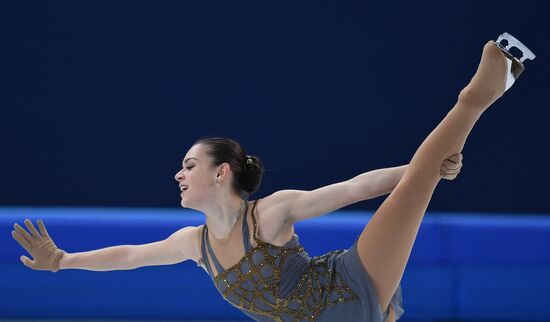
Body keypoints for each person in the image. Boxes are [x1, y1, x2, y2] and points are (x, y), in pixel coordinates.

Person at [11, 33, 534, 322]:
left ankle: (478, 97)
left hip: (353, 286)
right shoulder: (195, 245)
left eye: (188, 165)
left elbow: (354, 189)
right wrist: (63, 261)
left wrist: (418, 170)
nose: (178, 174)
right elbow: (126, 256)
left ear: (221, 173)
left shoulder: (270, 212)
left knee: (416, 186)